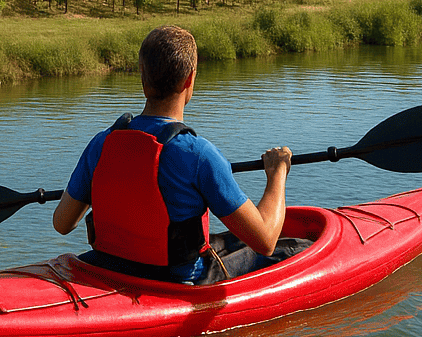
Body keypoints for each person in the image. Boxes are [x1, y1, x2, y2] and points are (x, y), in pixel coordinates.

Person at [52, 25, 296, 284]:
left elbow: (62, 223)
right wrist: (277, 172)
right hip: (174, 281)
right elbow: (265, 241)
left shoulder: (102, 144)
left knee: (230, 240)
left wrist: (112, 186)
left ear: (142, 76)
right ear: (189, 80)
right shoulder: (199, 154)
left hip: (110, 266)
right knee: (289, 248)